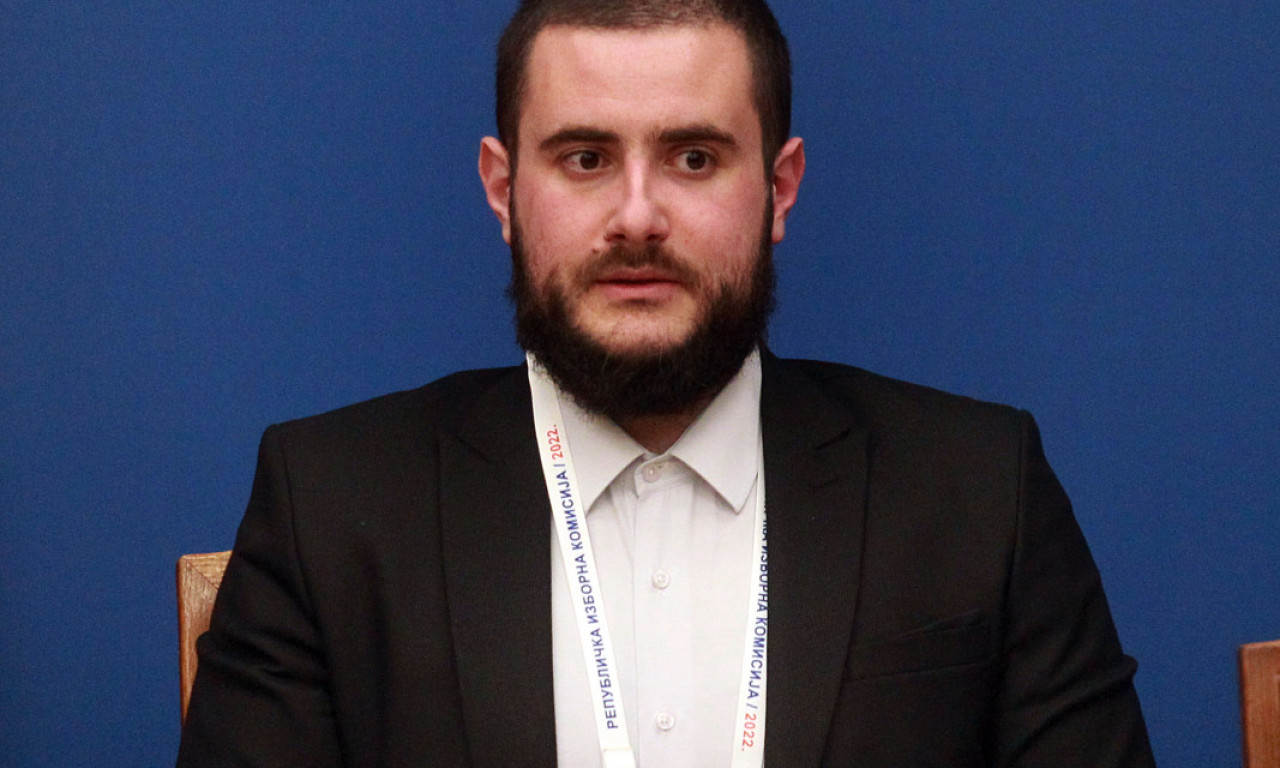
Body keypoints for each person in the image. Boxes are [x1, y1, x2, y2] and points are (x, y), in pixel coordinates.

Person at [177, 1, 1156, 766]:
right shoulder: (328, 507)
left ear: (777, 188)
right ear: (503, 189)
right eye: (584, 158)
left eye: (692, 157)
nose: (637, 216)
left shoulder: (978, 492)